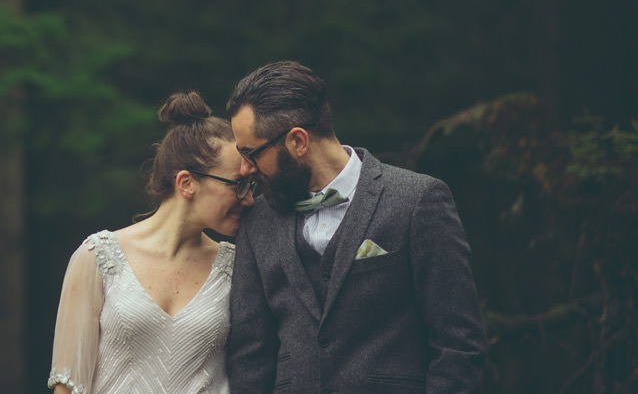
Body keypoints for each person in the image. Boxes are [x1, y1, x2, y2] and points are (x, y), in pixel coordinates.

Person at [224, 60, 486, 394]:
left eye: (252, 153)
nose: (245, 169)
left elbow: (458, 345)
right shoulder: (256, 222)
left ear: (298, 142)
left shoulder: (417, 200)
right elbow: (250, 359)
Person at [48, 92, 256, 394]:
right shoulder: (97, 258)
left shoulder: (238, 267)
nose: (249, 199)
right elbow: (68, 386)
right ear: (187, 183)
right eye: (238, 185)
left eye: (251, 186)